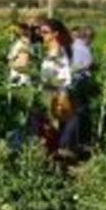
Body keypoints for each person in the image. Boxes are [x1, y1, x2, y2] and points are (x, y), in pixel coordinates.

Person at [38, 19, 74, 155]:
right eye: (41, 32)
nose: (42, 35)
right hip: (46, 94)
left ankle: (52, 160)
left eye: (46, 32)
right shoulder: (50, 52)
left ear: (55, 34)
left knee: (51, 130)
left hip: (53, 96)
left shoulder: (59, 54)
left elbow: (65, 79)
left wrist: (60, 101)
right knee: (46, 130)